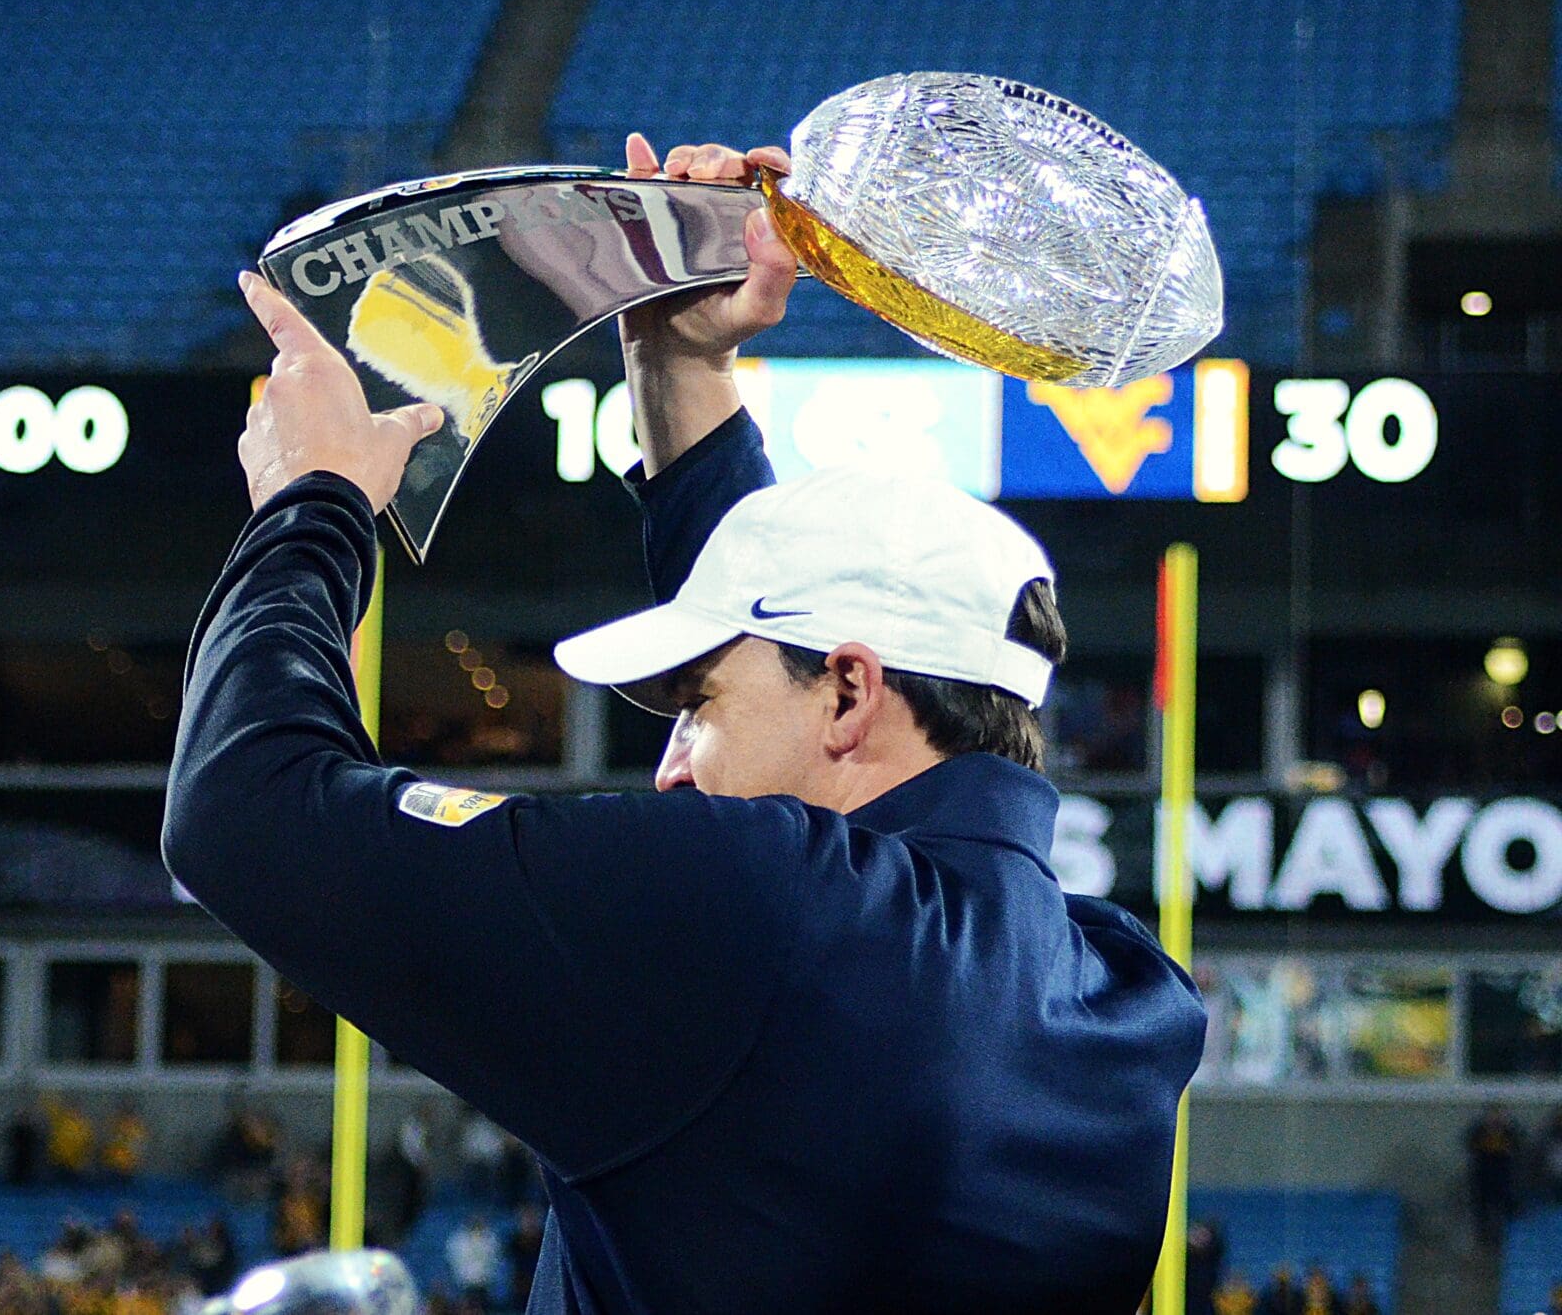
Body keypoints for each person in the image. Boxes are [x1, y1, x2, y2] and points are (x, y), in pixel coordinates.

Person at [165, 135, 1205, 1312]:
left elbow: (242, 814)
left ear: (855, 694)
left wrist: (315, 505)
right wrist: (677, 361)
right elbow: (794, 724)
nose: (668, 770)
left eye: (694, 708)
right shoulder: (1121, 997)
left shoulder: (769, 909)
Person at [1466, 1102, 1523, 1245]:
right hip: (1483, 1175)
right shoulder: (1479, 1131)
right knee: (1482, 1208)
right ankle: (1483, 1237)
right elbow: (1470, 1145)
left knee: (1503, 1206)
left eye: (1499, 1114)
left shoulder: (1510, 1131)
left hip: (1503, 1175)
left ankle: (1503, 1237)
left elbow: (1518, 1145)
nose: (1495, 1118)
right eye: (1492, 1114)